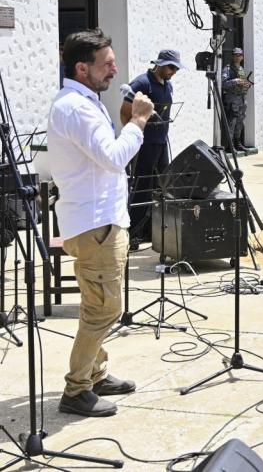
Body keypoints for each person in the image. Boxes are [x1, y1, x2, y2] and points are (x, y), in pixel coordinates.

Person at [48, 28, 154, 417]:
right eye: (106, 63)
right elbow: (112, 157)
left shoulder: (83, 101)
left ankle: (94, 373)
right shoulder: (76, 107)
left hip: (99, 220)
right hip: (95, 225)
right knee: (105, 309)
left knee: (98, 303)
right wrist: (138, 122)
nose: (115, 69)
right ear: (82, 68)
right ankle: (76, 390)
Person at [121, 49, 182, 246]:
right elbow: (125, 112)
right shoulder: (142, 83)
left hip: (161, 142)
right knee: (141, 188)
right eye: (171, 67)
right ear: (160, 64)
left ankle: (151, 229)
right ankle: (133, 232)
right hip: (144, 144)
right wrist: (133, 136)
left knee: (162, 186)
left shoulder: (168, 85)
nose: (174, 71)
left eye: (176, 68)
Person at [222, 48, 251, 152]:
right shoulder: (228, 69)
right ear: (232, 56)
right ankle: (230, 146)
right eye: (235, 55)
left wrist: (246, 84)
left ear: (242, 57)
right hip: (232, 99)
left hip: (242, 99)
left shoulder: (241, 69)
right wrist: (236, 81)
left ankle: (237, 143)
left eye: (239, 55)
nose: (237, 57)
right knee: (232, 122)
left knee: (240, 122)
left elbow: (243, 82)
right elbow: (223, 83)